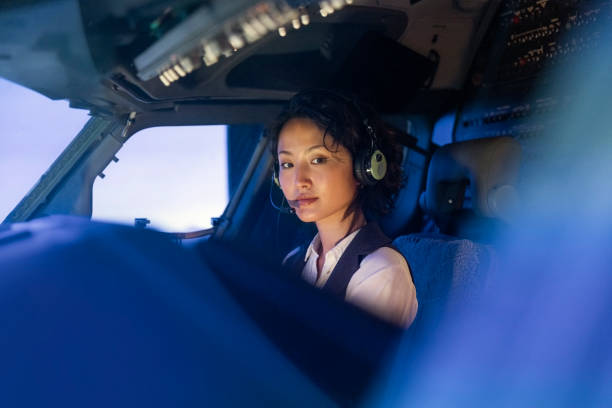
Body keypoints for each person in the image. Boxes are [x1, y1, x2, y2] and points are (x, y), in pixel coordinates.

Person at [268, 89, 418, 328]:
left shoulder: (381, 272)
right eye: (287, 164)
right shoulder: (294, 261)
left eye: (318, 159)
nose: (298, 181)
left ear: (363, 169)